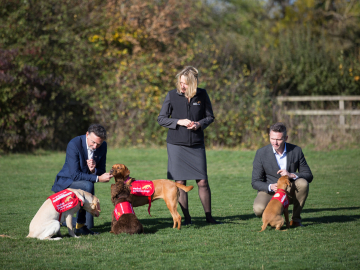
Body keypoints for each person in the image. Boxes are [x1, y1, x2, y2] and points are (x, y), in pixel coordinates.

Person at [157, 66, 220, 225]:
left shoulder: (202, 94)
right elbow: (162, 119)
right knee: (180, 182)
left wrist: (199, 124)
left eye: (185, 83)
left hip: (196, 144)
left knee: (203, 181)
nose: (181, 86)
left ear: (193, 83)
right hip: (176, 144)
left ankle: (209, 218)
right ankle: (187, 219)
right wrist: (179, 121)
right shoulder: (171, 95)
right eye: (180, 82)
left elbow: (210, 117)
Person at [51, 124, 113, 235]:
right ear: (87, 134)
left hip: (83, 181)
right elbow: (75, 175)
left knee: (90, 226)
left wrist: (93, 170)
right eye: (93, 142)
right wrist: (98, 178)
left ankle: (65, 220)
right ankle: (79, 226)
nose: (95, 146)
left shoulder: (103, 146)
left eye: (98, 144)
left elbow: (101, 170)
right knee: (89, 185)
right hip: (66, 181)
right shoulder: (74, 144)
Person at [252, 122, 313, 227]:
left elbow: (309, 175)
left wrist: (291, 175)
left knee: (303, 183)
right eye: (272, 139)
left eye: (279, 139)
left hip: (289, 189)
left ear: (286, 138)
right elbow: (255, 182)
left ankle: (296, 219)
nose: (275, 142)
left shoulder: (296, 151)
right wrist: (270, 186)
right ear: (269, 136)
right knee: (258, 209)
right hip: (270, 192)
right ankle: (275, 218)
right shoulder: (261, 153)